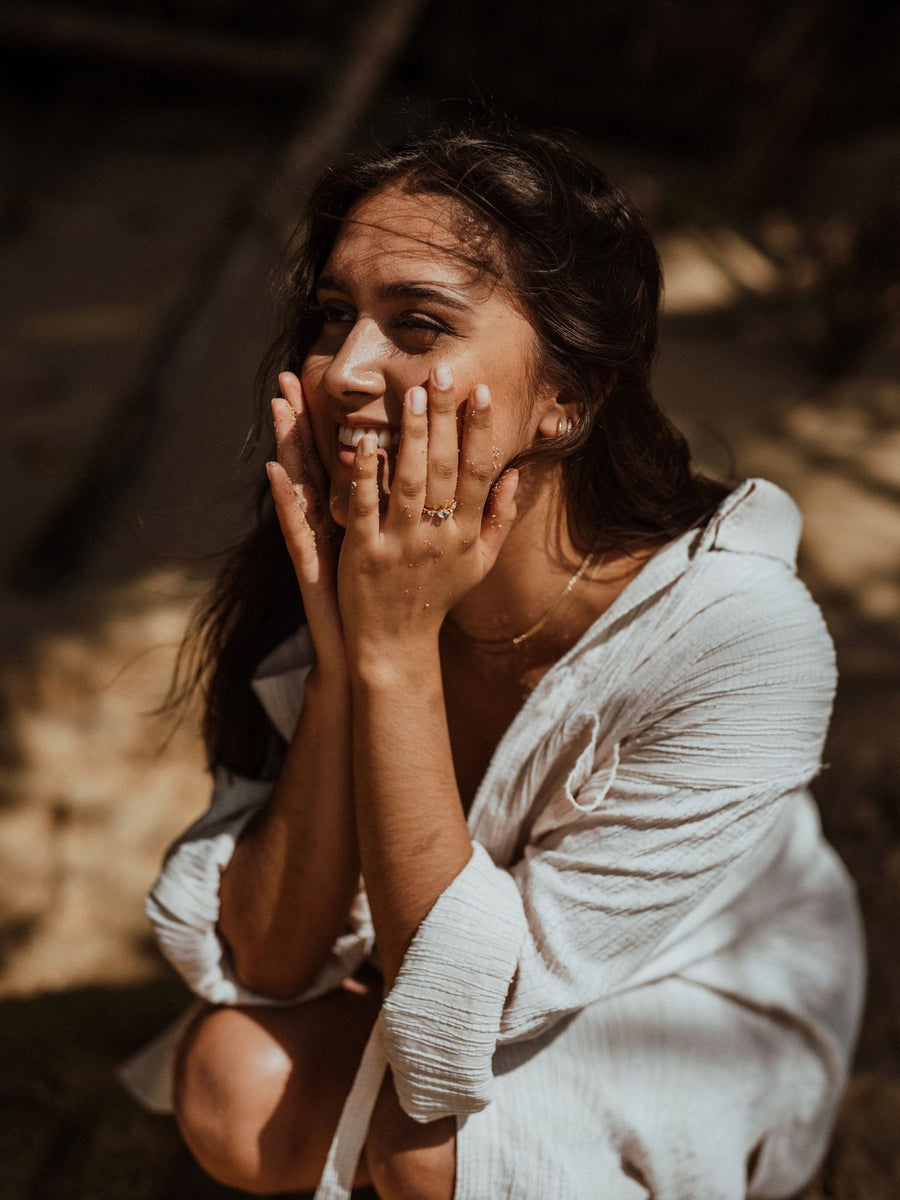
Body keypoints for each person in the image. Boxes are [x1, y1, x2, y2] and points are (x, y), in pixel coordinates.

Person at [121, 121, 865, 1200]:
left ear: (567, 397)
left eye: (418, 326)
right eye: (334, 318)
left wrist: (394, 652)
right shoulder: (328, 564)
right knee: (239, 1080)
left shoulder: (738, 634)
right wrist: (352, 656)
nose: (343, 372)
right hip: (448, 979)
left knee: (434, 1148)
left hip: (690, 999)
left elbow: (455, 1025)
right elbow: (270, 967)